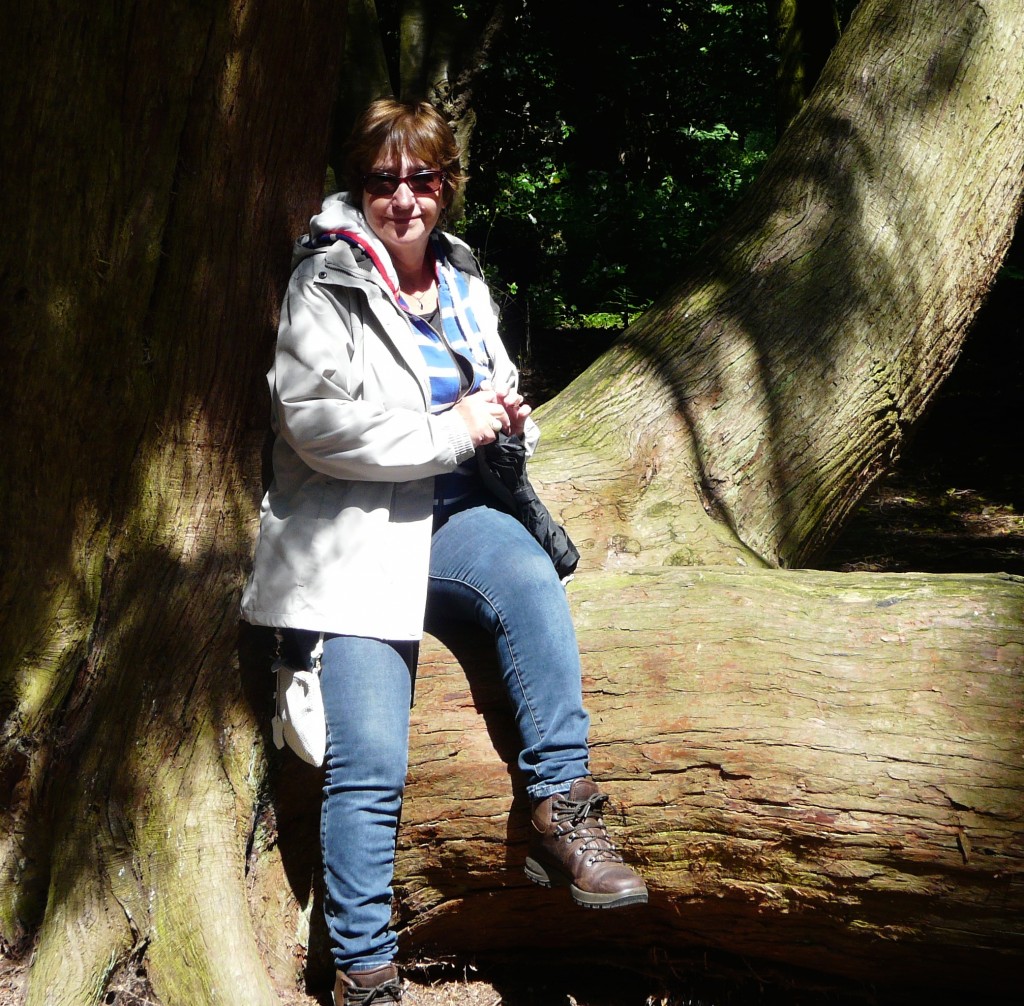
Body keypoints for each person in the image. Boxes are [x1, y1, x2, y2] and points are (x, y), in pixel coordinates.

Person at [241, 99, 647, 1006]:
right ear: (360, 187)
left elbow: (492, 386)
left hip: (458, 516)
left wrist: (506, 422)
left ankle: (562, 812)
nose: (404, 199)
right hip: (351, 538)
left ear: (445, 186)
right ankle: (365, 973)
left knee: (531, 580)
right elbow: (314, 425)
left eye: (421, 179)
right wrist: (448, 426)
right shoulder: (328, 282)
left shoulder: (462, 280)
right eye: (383, 181)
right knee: (371, 761)